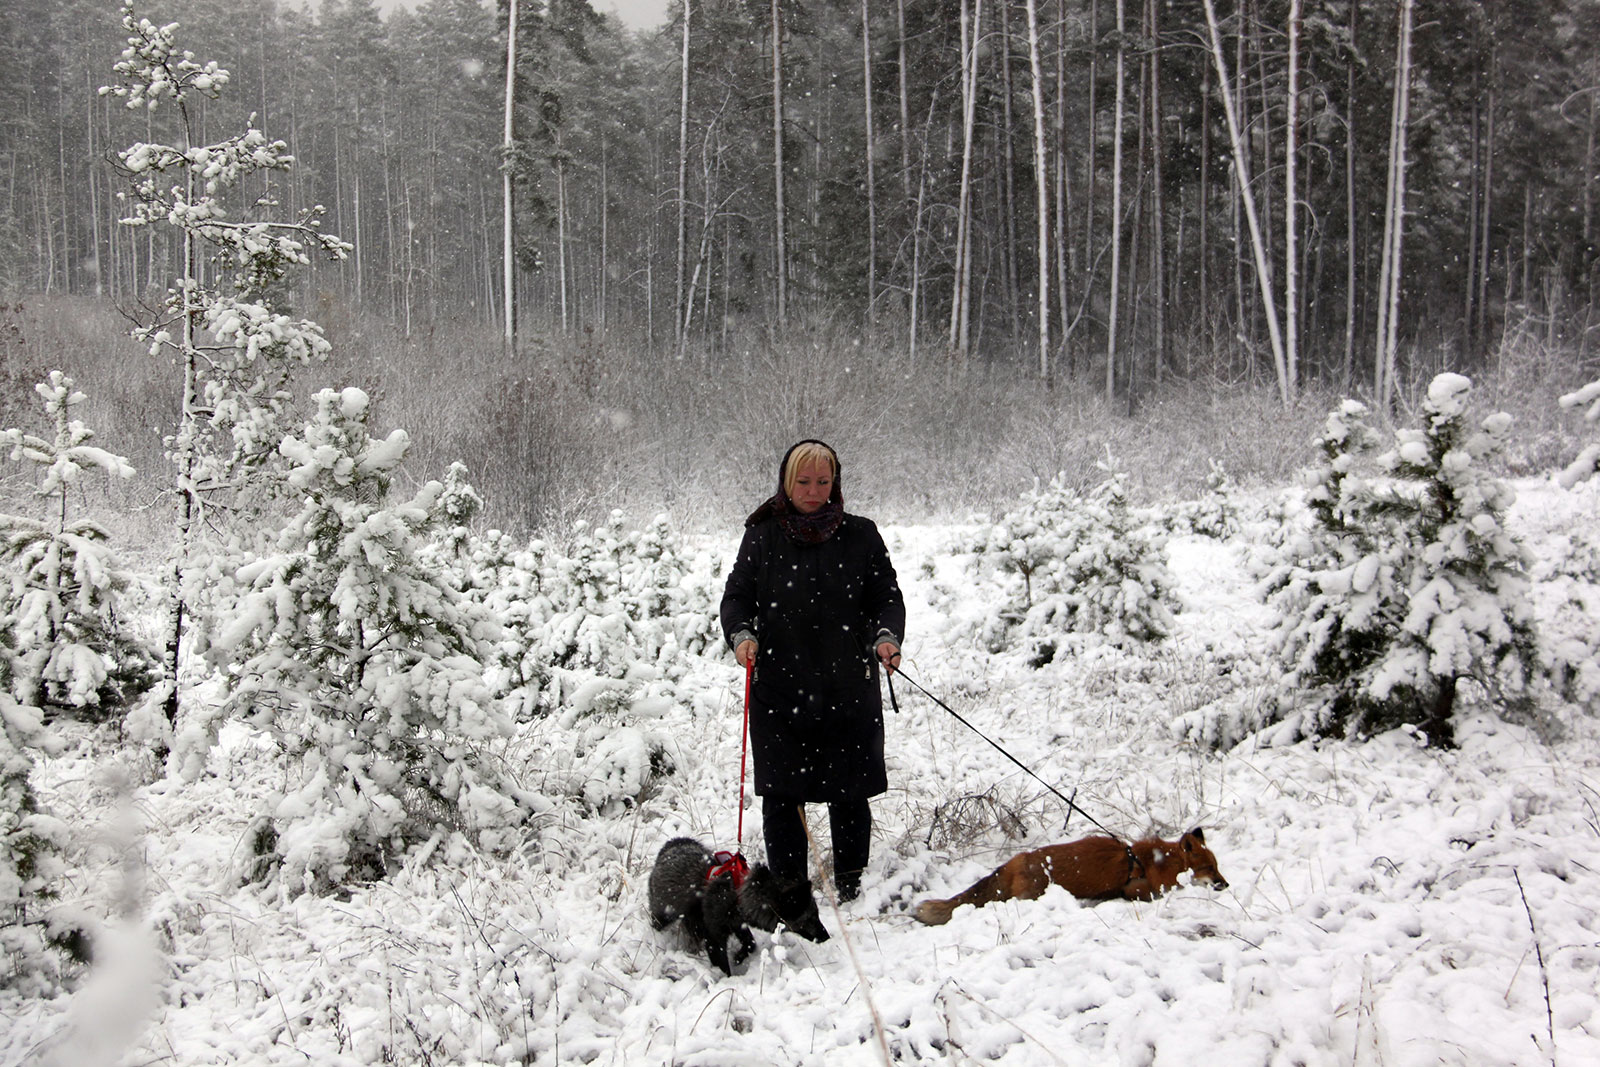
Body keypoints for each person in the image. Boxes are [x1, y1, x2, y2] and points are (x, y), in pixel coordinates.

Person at [720, 439, 906, 919]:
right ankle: (790, 897)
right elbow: (737, 597)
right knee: (784, 798)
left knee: (850, 793)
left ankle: (849, 888)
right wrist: (741, 635)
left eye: (823, 482)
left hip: (847, 688)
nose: (813, 490)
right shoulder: (762, 535)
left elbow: (887, 596)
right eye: (804, 481)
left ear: (835, 482)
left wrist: (887, 635)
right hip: (780, 689)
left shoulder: (861, 536)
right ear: (786, 480)